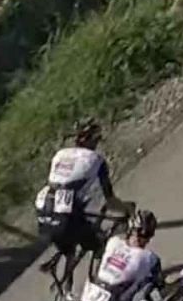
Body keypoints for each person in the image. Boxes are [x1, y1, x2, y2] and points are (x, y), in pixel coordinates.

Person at [35, 119, 131, 280]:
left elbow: (61, 180)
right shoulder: (96, 159)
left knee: (69, 243)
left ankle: (66, 288)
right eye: (97, 139)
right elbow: (110, 200)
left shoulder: (60, 154)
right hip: (66, 216)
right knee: (99, 246)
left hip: (43, 209)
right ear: (93, 140)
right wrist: (126, 210)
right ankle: (101, 282)